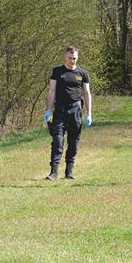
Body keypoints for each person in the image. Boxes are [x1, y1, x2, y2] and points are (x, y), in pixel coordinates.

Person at [44, 46, 92, 181]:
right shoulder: (57, 72)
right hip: (60, 110)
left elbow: (87, 93)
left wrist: (89, 113)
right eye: (70, 58)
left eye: (74, 58)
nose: (72, 61)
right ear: (65, 57)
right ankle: (53, 172)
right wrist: (49, 109)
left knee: (73, 142)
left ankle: (69, 171)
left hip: (76, 111)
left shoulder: (82, 73)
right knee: (57, 141)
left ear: (77, 58)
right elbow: (52, 91)